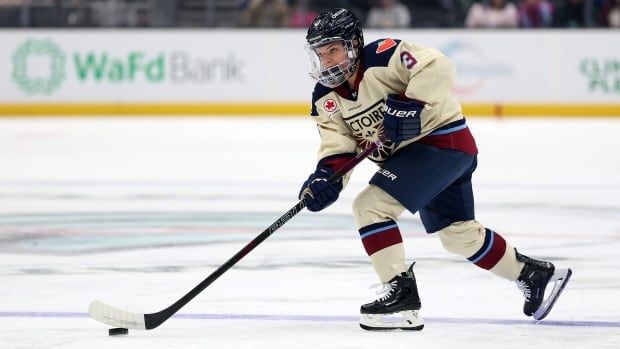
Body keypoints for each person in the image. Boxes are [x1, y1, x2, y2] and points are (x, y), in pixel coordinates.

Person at [299, 8, 572, 331]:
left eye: (334, 49)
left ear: (354, 44)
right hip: (420, 160)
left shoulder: (385, 55)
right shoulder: (324, 99)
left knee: (369, 207)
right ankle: (533, 274)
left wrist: (411, 103)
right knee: (459, 236)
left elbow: (436, 65)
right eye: (321, 53)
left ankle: (401, 296)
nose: (328, 61)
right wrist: (324, 179)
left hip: (442, 142)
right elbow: (338, 147)